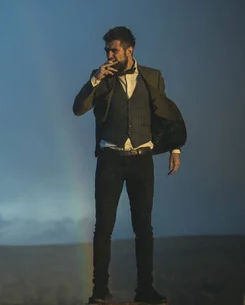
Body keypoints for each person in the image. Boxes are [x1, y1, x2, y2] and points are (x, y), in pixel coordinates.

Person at [72, 26, 186, 304]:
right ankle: (100, 291)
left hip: (141, 160)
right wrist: (96, 80)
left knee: (143, 227)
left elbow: (165, 113)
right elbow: (78, 108)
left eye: (114, 50)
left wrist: (175, 147)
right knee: (104, 227)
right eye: (106, 50)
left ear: (129, 50)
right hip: (110, 159)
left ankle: (144, 289)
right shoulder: (101, 78)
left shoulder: (152, 77)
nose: (109, 55)